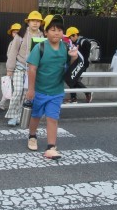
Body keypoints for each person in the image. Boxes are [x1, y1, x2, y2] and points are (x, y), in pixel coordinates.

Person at [25, 14, 78, 159]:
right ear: (46, 32)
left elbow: (70, 68)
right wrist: (31, 89)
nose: (57, 33)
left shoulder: (65, 47)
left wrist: (73, 57)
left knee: (52, 118)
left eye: (59, 30)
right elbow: (32, 69)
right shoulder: (40, 47)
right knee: (36, 116)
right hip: (39, 90)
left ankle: (51, 147)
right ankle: (32, 135)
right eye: (53, 30)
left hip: (57, 91)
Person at [5, 11, 44, 126]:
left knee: (26, 94)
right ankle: (13, 115)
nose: (35, 23)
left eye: (38, 21)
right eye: (33, 21)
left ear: (41, 23)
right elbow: (13, 52)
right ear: (28, 22)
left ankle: (19, 116)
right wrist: (9, 69)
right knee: (17, 91)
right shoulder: (21, 34)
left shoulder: (42, 37)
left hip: (32, 70)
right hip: (19, 67)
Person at [0, 22, 23, 110]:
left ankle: (10, 105)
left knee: (15, 87)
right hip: (12, 66)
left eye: (17, 32)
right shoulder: (12, 42)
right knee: (9, 85)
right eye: (14, 32)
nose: (15, 34)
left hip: (18, 67)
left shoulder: (21, 42)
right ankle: (3, 103)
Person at [64, 26, 93, 104]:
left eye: (70, 37)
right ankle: (74, 98)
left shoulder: (84, 42)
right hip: (74, 64)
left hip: (82, 65)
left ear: (75, 35)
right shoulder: (73, 43)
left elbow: (86, 56)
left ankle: (87, 93)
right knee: (71, 79)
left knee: (74, 80)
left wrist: (82, 65)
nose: (69, 39)